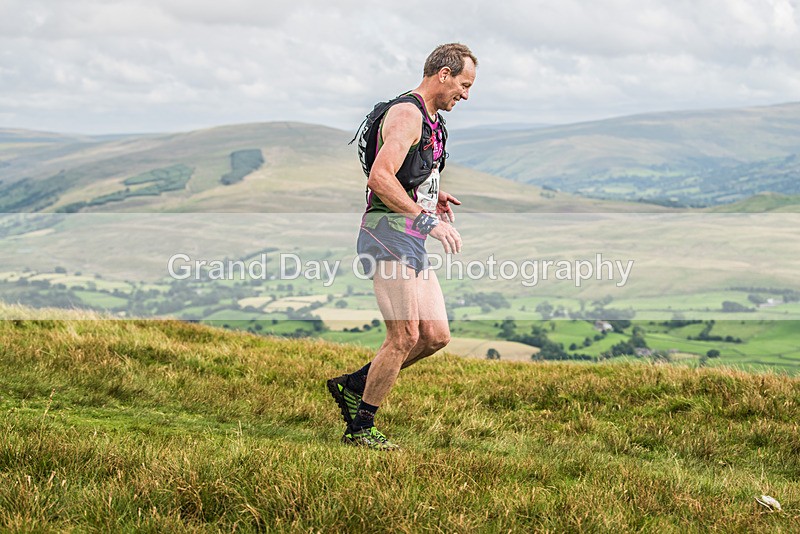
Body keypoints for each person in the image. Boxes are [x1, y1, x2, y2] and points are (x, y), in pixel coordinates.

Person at [327, 43, 477, 450]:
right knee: (404, 336)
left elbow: (407, 173)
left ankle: (355, 385)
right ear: (443, 75)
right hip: (386, 234)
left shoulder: (430, 118)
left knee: (436, 335)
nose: (465, 94)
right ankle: (361, 428)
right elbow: (380, 177)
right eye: (463, 85)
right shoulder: (408, 114)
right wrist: (425, 218)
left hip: (407, 235)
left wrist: (434, 194)